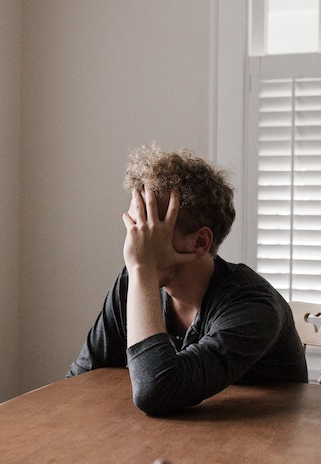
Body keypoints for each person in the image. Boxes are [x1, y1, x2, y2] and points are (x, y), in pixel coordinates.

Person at [67, 144, 308, 415]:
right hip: (173, 439)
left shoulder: (254, 307)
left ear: (200, 241)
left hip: (264, 444)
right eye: (134, 227)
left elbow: (156, 391)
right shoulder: (132, 282)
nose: (134, 244)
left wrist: (142, 269)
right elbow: (80, 380)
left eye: (149, 229)